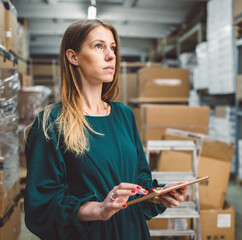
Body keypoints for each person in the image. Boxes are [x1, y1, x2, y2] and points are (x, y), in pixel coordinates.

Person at [24, 19, 186, 240]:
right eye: (98, 46)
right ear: (73, 57)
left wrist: (157, 195)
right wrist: (100, 209)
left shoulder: (124, 115)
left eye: (113, 48)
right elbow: (42, 206)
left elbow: (139, 179)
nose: (111, 56)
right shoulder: (52, 121)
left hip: (132, 233)